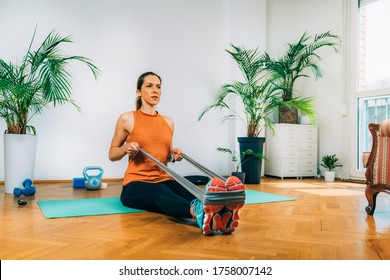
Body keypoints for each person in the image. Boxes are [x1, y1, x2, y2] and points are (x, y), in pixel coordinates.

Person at [108, 71, 243, 235]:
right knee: (159, 194)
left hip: (164, 178)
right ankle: (199, 213)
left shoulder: (168, 122)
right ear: (138, 92)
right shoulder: (128, 118)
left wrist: (174, 155)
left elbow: (165, 157)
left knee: (190, 193)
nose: (155, 90)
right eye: (149, 86)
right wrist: (124, 148)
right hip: (136, 184)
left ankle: (222, 216)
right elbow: (112, 154)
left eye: (158, 87)